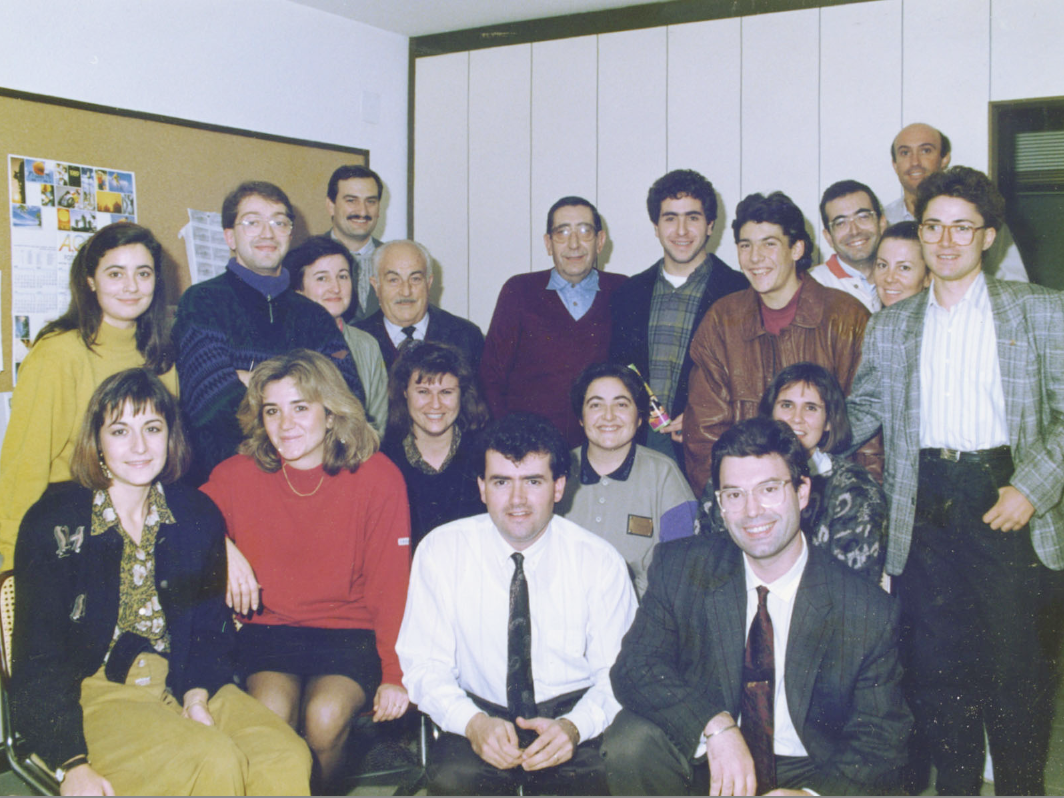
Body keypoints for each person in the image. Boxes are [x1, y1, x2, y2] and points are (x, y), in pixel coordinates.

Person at [847, 165, 1064, 795]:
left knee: (1017, 677)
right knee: (940, 678)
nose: (945, 241)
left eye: (962, 228)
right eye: (934, 226)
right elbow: (863, 412)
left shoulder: (1043, 312)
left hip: (1008, 499)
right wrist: (800, 429)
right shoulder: (892, 325)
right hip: (925, 511)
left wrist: (1033, 487)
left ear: (988, 236)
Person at [11, 368, 311, 796]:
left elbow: (211, 631)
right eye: (120, 431)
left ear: (170, 437)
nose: (138, 446)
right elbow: (36, 660)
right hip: (92, 691)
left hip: (183, 675)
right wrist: (70, 762)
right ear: (96, 441)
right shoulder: (53, 523)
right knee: (211, 761)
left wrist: (196, 697)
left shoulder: (195, 514)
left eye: (152, 428)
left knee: (286, 755)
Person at [603, 417, 911, 796]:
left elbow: (884, 741)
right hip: (709, 754)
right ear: (720, 503)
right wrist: (714, 725)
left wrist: (812, 796)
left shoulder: (865, 609)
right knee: (630, 740)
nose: (752, 511)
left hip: (808, 769)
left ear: (801, 491)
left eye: (768, 489)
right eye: (734, 494)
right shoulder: (682, 567)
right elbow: (634, 668)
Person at [201, 350, 411, 791]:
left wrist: (394, 674)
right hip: (269, 628)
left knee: (325, 717)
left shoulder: (377, 476)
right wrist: (222, 547)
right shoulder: (239, 473)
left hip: (349, 630)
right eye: (272, 411)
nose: (285, 424)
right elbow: (177, 515)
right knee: (270, 717)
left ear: (331, 413)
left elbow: (391, 587)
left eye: (301, 408)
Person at [396, 412, 637, 795]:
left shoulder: (600, 561)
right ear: (481, 487)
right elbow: (424, 664)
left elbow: (618, 673)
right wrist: (473, 723)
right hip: (479, 711)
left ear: (559, 487)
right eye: (501, 482)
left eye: (533, 482)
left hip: (572, 714)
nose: (517, 500)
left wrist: (575, 727)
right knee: (452, 781)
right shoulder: (441, 551)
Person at [0, 222, 178, 567]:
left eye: (143, 273)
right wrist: (9, 560)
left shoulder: (162, 356)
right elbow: (24, 464)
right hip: (70, 526)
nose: (131, 286)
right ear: (91, 280)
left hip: (142, 522)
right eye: (115, 273)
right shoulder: (58, 353)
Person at [683, 191, 876, 496]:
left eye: (769, 244)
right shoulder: (722, 320)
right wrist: (727, 503)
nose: (755, 258)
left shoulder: (846, 318)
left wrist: (861, 505)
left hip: (830, 502)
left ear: (796, 248)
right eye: (745, 245)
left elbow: (870, 437)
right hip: (748, 502)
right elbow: (703, 436)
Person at [173, 181, 364, 485]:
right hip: (229, 484)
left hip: (310, 485)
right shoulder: (202, 303)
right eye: (252, 222)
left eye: (278, 222)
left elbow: (349, 396)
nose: (267, 233)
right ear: (229, 237)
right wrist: (305, 398)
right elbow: (209, 401)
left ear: (290, 233)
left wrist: (250, 379)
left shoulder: (314, 316)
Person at [609, 169, 749, 467]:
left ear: (710, 225)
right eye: (670, 218)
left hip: (712, 446)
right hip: (639, 449)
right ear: (656, 227)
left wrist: (705, 417)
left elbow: (750, 379)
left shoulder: (739, 291)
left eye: (693, 218)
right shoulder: (629, 293)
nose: (681, 231)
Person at [481, 197, 627, 447]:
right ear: (548, 243)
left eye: (584, 231)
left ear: (600, 241)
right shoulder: (519, 291)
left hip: (604, 447)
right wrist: (510, 440)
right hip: (531, 449)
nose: (574, 244)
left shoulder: (623, 290)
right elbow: (490, 376)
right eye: (562, 233)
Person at [556, 362, 697, 597]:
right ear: (581, 417)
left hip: (643, 618)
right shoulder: (557, 470)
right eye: (596, 405)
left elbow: (680, 568)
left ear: (640, 417)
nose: (608, 416)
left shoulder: (664, 474)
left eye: (621, 404)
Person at [885, 122, 1028, 282]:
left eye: (926, 151)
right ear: (895, 164)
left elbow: (1016, 284)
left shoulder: (982, 217)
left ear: (944, 158)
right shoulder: (884, 221)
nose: (915, 162)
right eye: (905, 153)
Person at [381, 341, 489, 549]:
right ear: (404, 392)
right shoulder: (385, 461)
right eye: (423, 392)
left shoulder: (485, 457)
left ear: (461, 394)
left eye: (446, 392)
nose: (436, 404)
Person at [286, 235, 388, 436]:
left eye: (342, 276)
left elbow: (377, 422)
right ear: (298, 289)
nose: (335, 287)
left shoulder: (367, 345)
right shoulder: (283, 342)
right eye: (322, 278)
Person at [355, 239, 485, 371]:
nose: (406, 291)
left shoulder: (466, 336)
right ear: (376, 285)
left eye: (415, 279)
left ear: (429, 283)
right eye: (393, 280)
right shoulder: (356, 341)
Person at [808, 180, 888, 312]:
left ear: (882, 223)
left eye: (863, 217)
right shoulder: (813, 286)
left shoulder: (903, 277)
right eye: (840, 223)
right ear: (828, 237)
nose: (854, 231)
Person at [325, 164, 384, 321]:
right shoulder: (304, 258)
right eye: (351, 200)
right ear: (331, 206)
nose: (362, 211)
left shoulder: (395, 260)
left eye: (370, 201)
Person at [872, 221, 930, 308]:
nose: (889, 278)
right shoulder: (872, 320)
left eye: (904, 268)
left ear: (928, 278)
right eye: (882, 265)